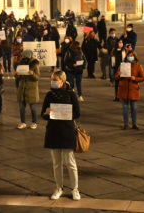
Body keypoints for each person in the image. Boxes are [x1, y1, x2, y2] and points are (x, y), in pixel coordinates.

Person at [41, 70, 81, 201]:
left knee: (70, 162)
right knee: (56, 163)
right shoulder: (49, 94)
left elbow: (77, 113)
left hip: (67, 130)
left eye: (55, 79)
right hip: (53, 130)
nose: (53, 82)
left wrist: (66, 114)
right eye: (52, 79)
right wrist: (47, 113)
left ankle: (75, 189)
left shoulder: (70, 94)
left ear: (62, 81)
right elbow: (43, 114)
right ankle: (59, 188)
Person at [115, 51, 144, 130]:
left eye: (132, 55)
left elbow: (143, 77)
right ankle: (126, 124)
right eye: (129, 55)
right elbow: (116, 77)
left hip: (133, 90)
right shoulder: (122, 65)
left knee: (134, 108)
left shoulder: (138, 66)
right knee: (125, 108)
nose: (130, 57)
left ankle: (134, 124)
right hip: (124, 89)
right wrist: (118, 74)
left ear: (135, 57)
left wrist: (135, 79)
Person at [15, 50, 40, 130]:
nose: (22, 57)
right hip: (22, 88)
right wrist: (16, 74)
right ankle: (23, 122)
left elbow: (37, 77)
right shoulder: (21, 63)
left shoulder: (35, 64)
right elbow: (18, 77)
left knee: (33, 107)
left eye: (24, 55)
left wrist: (32, 74)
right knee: (21, 107)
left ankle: (34, 122)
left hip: (31, 88)